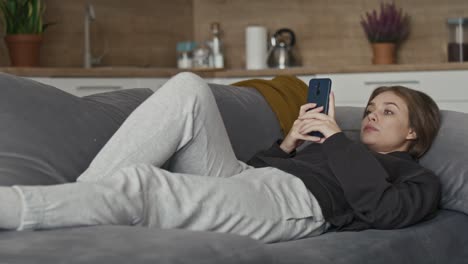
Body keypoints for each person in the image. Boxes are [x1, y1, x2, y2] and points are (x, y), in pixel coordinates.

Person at [0, 72, 441, 243]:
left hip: (293, 205)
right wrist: (288, 144)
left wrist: (334, 142)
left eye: (388, 112)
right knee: (189, 87)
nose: (371, 117)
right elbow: (257, 168)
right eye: (369, 109)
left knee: (144, 185)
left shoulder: (416, 178)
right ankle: (82, 198)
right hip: (250, 179)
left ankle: (22, 205)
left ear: (414, 130)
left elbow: (382, 210)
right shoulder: (333, 145)